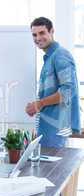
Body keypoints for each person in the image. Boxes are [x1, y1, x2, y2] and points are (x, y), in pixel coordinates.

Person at [25, 17, 81, 148]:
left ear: (52, 31)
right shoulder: (50, 58)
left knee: (53, 168)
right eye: (34, 34)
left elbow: (68, 91)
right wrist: (36, 105)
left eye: (42, 33)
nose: (38, 38)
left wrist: (39, 103)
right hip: (50, 127)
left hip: (57, 129)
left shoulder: (60, 55)